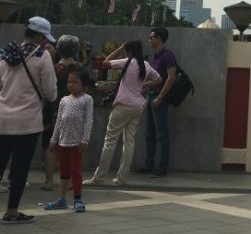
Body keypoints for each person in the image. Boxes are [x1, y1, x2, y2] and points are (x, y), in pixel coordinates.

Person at [0, 17, 57, 223]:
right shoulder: (42, 56)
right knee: (19, 168)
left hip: (2, 119)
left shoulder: (6, 54)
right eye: (45, 38)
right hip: (27, 122)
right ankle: (12, 212)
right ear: (40, 36)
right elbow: (51, 92)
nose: (46, 42)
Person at [84, 40, 161, 186]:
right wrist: (144, 86)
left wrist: (119, 48)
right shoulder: (146, 65)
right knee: (129, 142)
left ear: (129, 51)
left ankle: (99, 178)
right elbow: (158, 79)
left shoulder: (128, 62)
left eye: (126, 50)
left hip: (123, 106)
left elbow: (105, 63)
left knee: (110, 141)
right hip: (138, 106)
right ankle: (122, 178)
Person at [44, 67, 93, 212]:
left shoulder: (87, 99)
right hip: (63, 143)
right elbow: (59, 121)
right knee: (64, 173)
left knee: (76, 172)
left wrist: (85, 139)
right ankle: (62, 199)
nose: (71, 84)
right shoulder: (64, 100)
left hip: (77, 143)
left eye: (75, 82)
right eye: (69, 81)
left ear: (84, 84)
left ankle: (78, 199)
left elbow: (89, 121)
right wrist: (53, 139)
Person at [41, 34, 81, 191]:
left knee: (50, 146)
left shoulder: (53, 68)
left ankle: (49, 181)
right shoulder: (79, 69)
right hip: (73, 110)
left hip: (52, 111)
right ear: (75, 50)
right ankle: (68, 182)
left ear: (58, 49)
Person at [138, 26, 177, 177]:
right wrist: (146, 87)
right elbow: (156, 78)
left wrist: (160, 97)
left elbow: (171, 77)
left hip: (159, 98)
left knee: (161, 134)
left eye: (151, 37)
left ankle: (162, 167)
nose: (149, 39)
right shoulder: (155, 56)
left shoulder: (168, 55)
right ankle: (148, 164)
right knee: (149, 133)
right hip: (150, 96)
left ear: (159, 38)